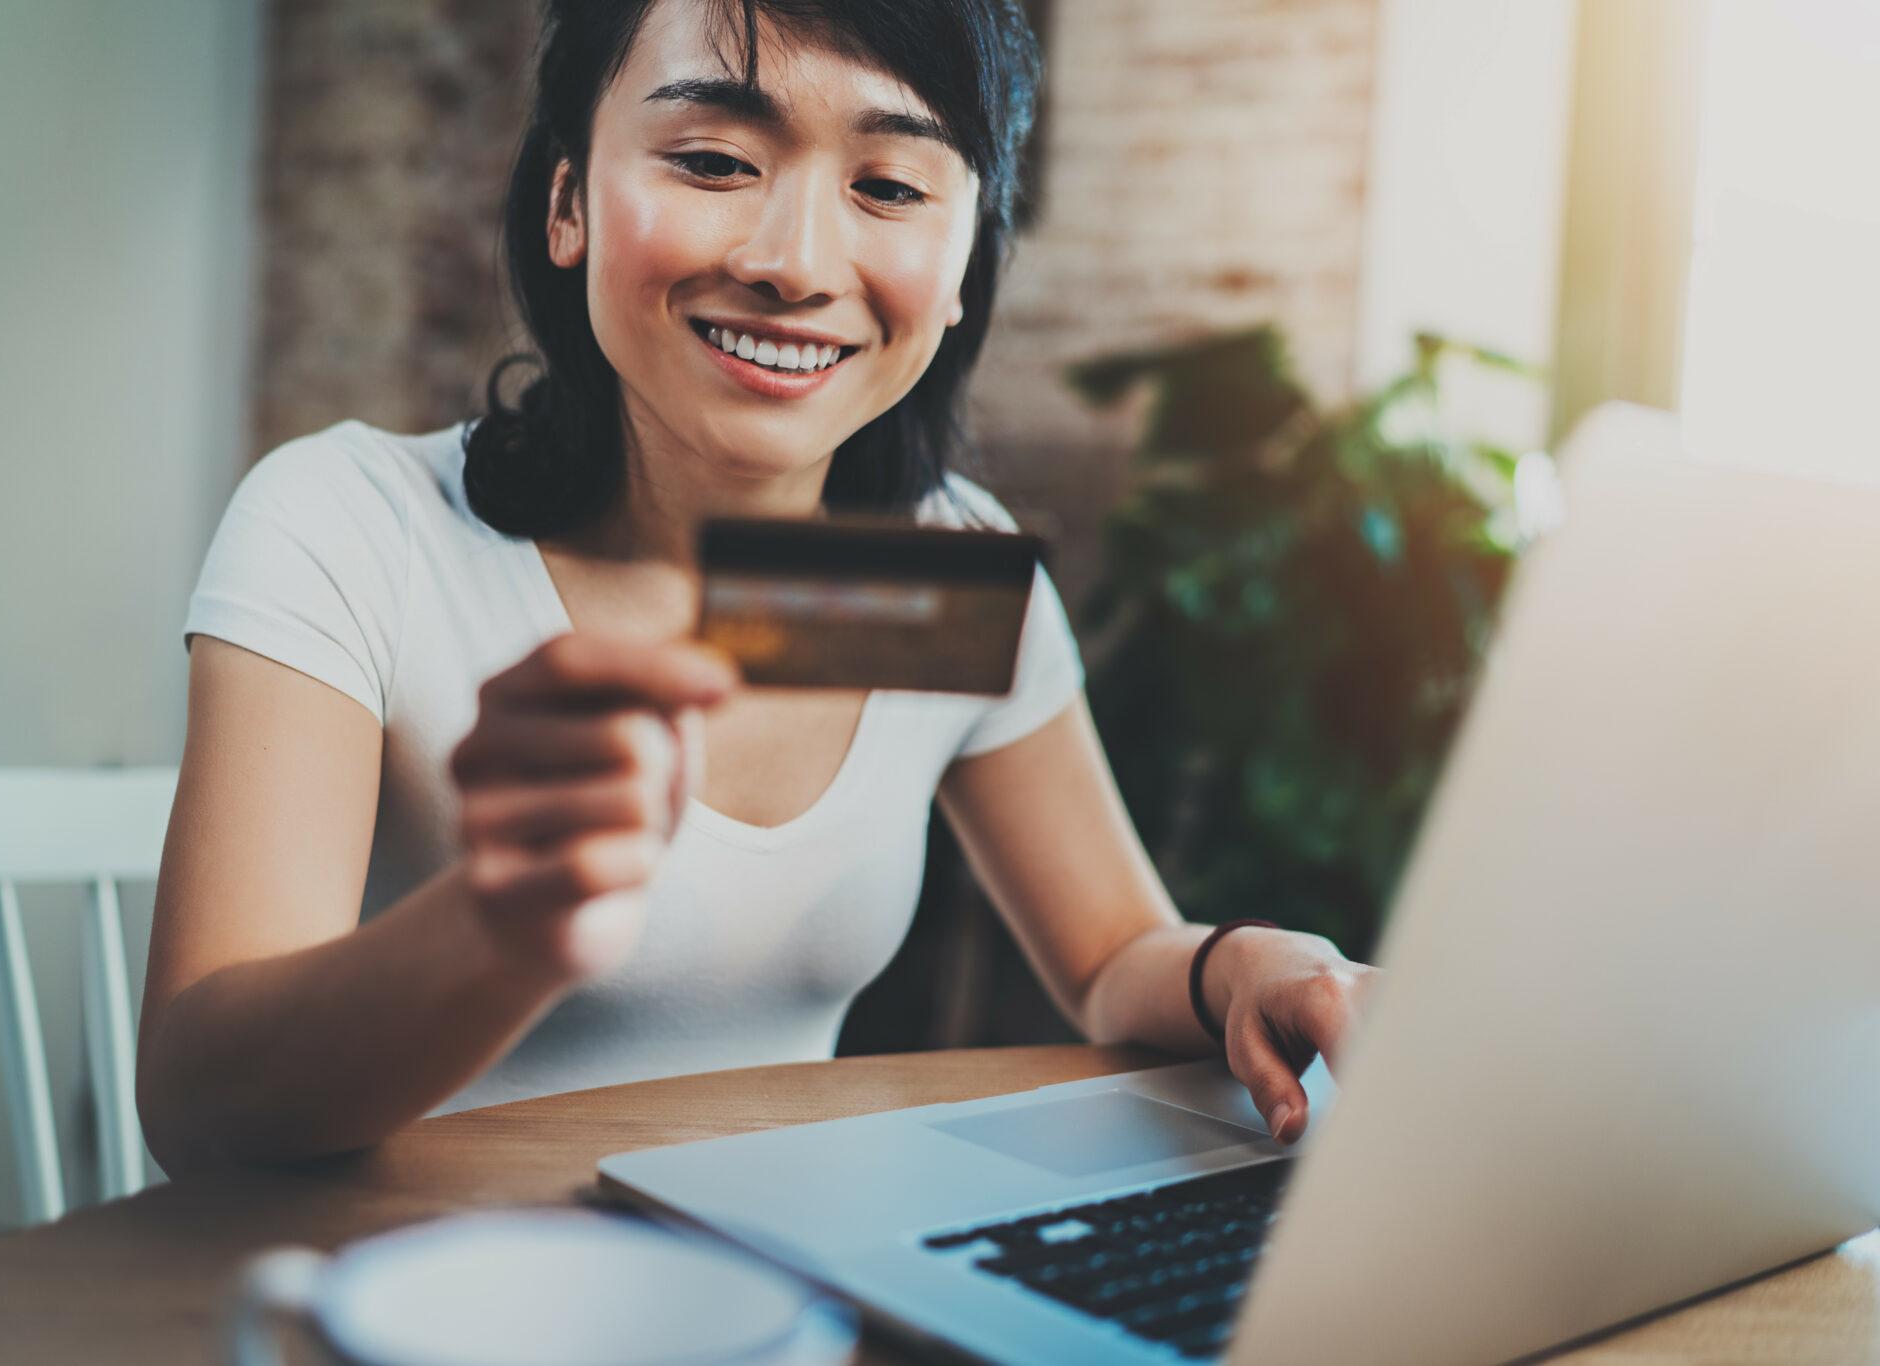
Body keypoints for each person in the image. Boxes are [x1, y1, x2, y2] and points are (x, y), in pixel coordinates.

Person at [136, 0, 1377, 1178]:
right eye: (716, 160)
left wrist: (1243, 965)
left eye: (887, 186)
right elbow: (199, 1104)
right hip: (398, 1304)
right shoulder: (358, 529)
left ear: (958, 271)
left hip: (763, 1301)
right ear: (567, 199)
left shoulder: (921, 578)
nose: (792, 262)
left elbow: (1111, 955)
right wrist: (496, 927)